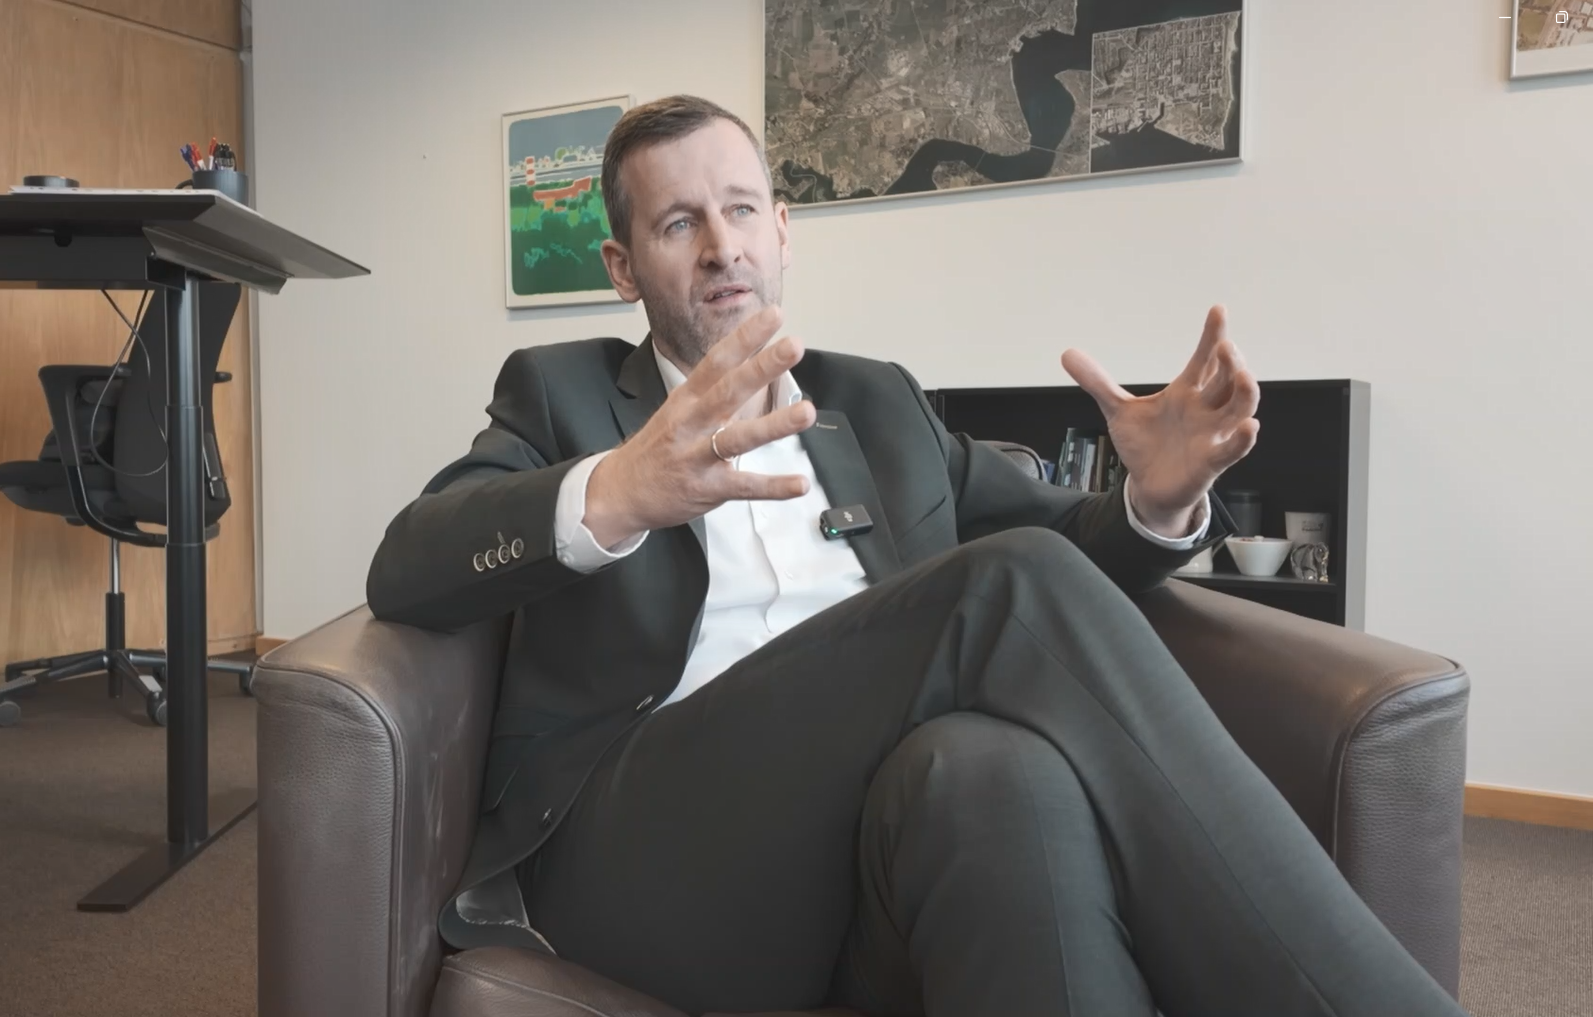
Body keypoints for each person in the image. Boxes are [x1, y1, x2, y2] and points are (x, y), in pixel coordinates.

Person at [367, 95, 1464, 1017]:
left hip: (872, 845)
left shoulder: (878, 401)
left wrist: (1154, 499)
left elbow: (1067, 546)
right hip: (647, 852)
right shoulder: (558, 394)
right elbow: (409, 565)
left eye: (741, 210)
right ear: (621, 265)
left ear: (783, 231)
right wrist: (617, 489)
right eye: (678, 223)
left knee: (995, 777)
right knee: (1007, 588)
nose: (721, 247)